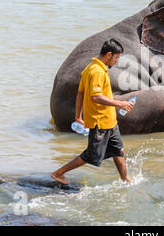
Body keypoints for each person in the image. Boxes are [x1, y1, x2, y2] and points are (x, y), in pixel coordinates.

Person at [51, 39, 134, 185]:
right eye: (116, 58)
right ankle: (58, 173)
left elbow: (80, 94)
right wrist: (120, 103)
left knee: (118, 150)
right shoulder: (96, 72)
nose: (116, 61)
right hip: (100, 122)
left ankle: (125, 180)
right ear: (109, 55)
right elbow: (95, 97)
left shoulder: (89, 68)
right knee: (91, 155)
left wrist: (78, 116)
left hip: (110, 121)